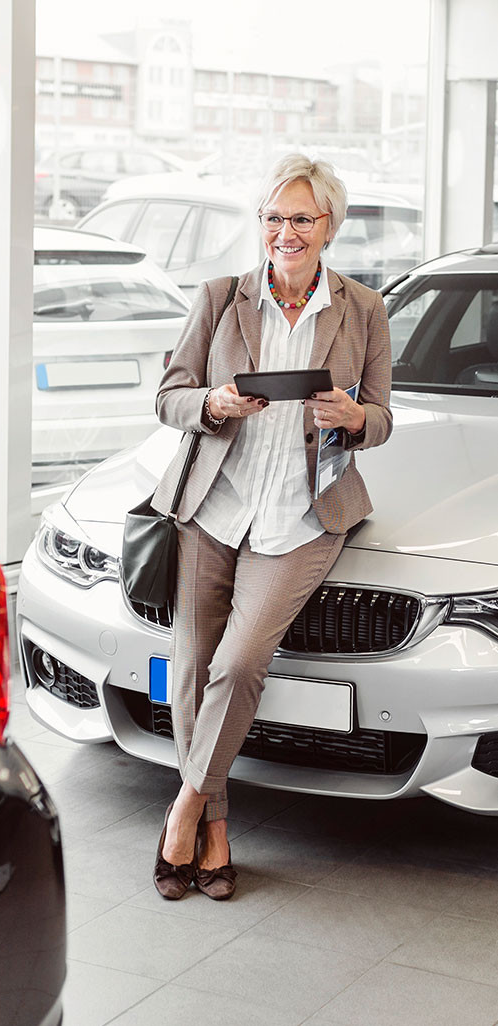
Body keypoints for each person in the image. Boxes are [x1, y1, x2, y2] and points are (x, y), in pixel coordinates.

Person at [150, 153, 392, 900]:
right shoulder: (221, 297)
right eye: (272, 218)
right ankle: (216, 832)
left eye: (300, 219)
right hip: (213, 508)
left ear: (329, 227)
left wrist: (355, 419)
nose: (283, 233)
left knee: (238, 663)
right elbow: (168, 397)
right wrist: (213, 405)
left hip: (301, 515)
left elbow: (382, 417)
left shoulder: (363, 310)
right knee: (191, 668)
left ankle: (184, 809)